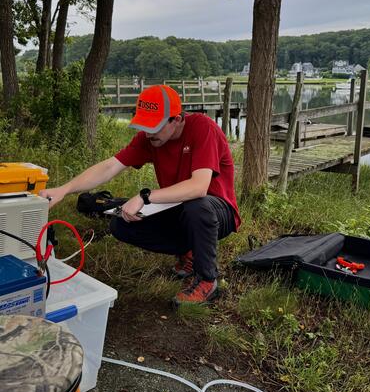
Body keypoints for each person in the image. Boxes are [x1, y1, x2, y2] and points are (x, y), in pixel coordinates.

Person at [40, 84, 240, 305]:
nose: (148, 132)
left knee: (196, 205)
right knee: (121, 223)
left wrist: (145, 196)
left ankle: (207, 280)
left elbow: (198, 187)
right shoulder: (150, 138)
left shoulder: (203, 128)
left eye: (154, 126)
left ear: (177, 119)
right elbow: (109, 167)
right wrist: (64, 189)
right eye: (144, 125)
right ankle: (189, 251)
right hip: (178, 208)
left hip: (217, 211)